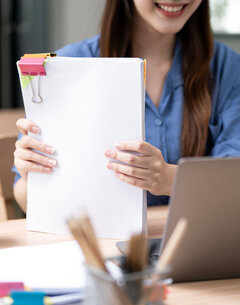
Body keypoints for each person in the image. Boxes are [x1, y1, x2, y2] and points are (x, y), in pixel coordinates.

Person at [13, 0, 240, 212]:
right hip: (101, 248)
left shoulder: (226, 66)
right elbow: (25, 201)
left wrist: (170, 179)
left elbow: (233, 183)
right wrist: (31, 173)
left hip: (197, 244)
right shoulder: (64, 66)